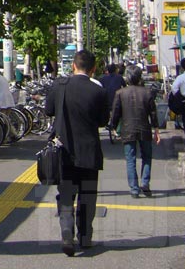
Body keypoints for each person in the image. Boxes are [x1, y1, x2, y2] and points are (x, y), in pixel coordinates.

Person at [45, 49, 109, 256]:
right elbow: (103, 121)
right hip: (89, 150)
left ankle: (66, 232)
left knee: (65, 194)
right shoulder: (98, 91)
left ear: (73, 65)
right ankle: (85, 237)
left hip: (64, 150)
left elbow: (48, 110)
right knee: (87, 195)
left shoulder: (59, 86)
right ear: (93, 68)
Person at [109, 65, 160, 198]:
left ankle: (134, 189)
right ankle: (145, 183)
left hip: (128, 128)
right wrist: (156, 129)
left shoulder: (120, 93)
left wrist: (113, 126)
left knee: (130, 159)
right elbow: (153, 113)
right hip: (144, 128)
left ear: (127, 78)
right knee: (147, 157)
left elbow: (116, 112)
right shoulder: (147, 92)